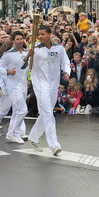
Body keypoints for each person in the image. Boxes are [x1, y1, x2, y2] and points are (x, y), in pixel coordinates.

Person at [25, 26, 70, 155]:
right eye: (39, 34)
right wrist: (28, 55)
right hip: (40, 85)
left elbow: (65, 62)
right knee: (48, 114)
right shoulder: (35, 50)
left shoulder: (59, 49)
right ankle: (54, 144)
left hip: (53, 85)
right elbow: (25, 65)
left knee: (47, 112)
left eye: (43, 34)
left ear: (50, 35)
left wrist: (66, 72)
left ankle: (33, 136)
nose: (40, 36)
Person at [0, 31, 28, 144]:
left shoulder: (26, 53)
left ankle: (13, 134)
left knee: (16, 111)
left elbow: (25, 67)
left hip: (23, 85)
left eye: (21, 38)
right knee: (22, 110)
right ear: (13, 41)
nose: (19, 41)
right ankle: (14, 133)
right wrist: (7, 72)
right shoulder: (8, 54)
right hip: (12, 86)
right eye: (17, 39)